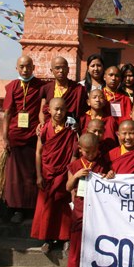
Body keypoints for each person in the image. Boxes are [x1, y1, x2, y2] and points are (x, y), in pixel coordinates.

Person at [31, 98, 78, 254]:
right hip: (46, 173)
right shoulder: (43, 129)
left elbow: (73, 154)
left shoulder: (70, 130)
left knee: (63, 207)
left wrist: (70, 176)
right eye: (56, 109)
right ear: (49, 110)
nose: (59, 112)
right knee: (47, 207)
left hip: (63, 173)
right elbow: (38, 152)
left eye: (62, 109)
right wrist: (38, 175)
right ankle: (47, 239)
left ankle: (65, 239)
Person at [2, 56, 44, 224]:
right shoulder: (12, 86)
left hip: (34, 137)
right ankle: (17, 208)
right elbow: (7, 113)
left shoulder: (41, 87)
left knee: (33, 172)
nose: (25, 70)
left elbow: (43, 109)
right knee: (15, 175)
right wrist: (5, 137)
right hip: (16, 135)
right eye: (21, 66)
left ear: (33, 67)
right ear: (16, 68)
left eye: (28, 66)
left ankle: (33, 208)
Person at [65, 133, 110, 267]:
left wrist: (108, 176)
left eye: (94, 151)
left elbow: (109, 181)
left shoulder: (103, 163)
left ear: (98, 149)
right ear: (80, 149)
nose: (91, 155)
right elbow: (68, 187)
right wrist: (77, 175)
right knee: (78, 237)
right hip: (80, 205)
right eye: (87, 152)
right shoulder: (75, 165)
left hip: (98, 207)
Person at [39, 56, 87, 128]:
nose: (61, 71)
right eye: (57, 68)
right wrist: (42, 124)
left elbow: (84, 112)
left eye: (64, 68)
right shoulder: (46, 88)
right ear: (51, 70)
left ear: (68, 70)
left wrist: (79, 125)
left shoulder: (78, 88)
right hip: (51, 127)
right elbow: (42, 111)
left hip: (70, 128)